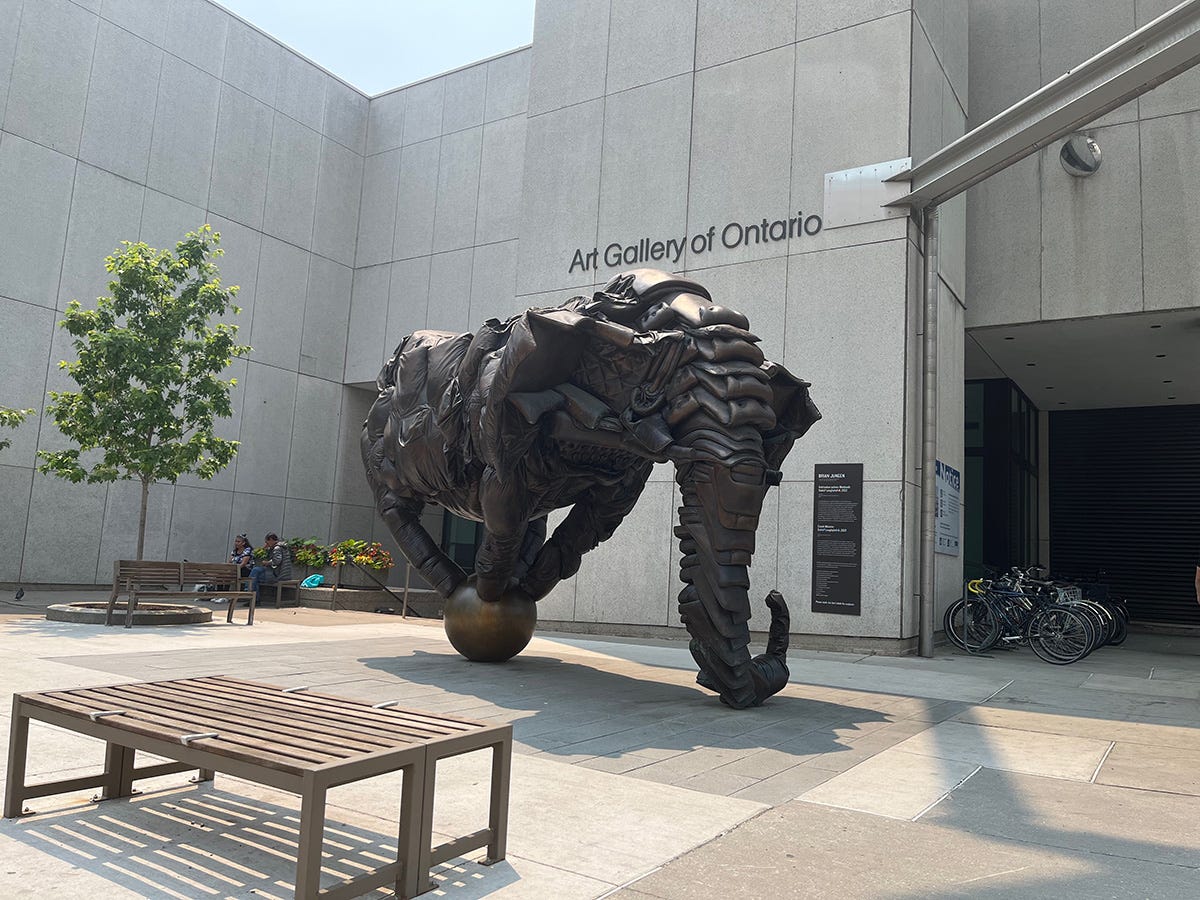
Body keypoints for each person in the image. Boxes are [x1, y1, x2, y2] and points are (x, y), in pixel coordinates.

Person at [249, 532, 292, 604]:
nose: (266, 543)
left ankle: (251, 597)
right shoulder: (281, 547)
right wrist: (266, 550)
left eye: (267, 542)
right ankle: (253, 598)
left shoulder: (277, 548)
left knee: (254, 575)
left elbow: (277, 561)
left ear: (271, 540)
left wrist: (267, 563)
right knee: (255, 574)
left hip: (278, 575)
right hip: (281, 574)